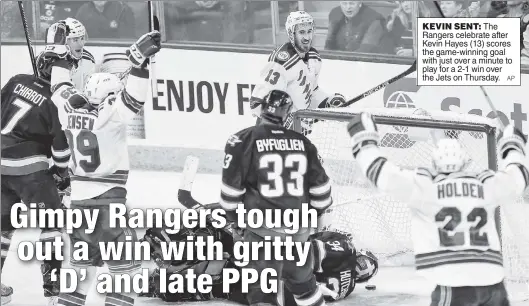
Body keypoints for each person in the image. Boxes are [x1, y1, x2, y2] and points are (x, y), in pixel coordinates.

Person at [346, 112, 529, 306]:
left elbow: (381, 173)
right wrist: (513, 144)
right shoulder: (485, 185)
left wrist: (363, 140)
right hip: (492, 282)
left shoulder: (427, 187)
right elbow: (518, 176)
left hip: (453, 283)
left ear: (434, 164)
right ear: (465, 163)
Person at [41, 21, 161, 306]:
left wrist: (58, 52)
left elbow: (59, 86)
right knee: (126, 278)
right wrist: (140, 63)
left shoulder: (67, 113)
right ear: (108, 97)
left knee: (79, 280)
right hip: (108, 209)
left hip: (79, 209)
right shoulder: (112, 116)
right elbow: (134, 97)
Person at [220, 89, 333, 306]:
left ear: (262, 108)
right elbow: (322, 194)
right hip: (298, 234)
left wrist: (237, 223)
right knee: (305, 288)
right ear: (287, 114)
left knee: (262, 293)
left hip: (262, 233)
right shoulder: (304, 143)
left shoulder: (241, 140)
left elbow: (230, 196)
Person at [141, 220, 379, 305]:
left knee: (224, 244)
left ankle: (172, 252)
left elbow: (307, 249)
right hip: (274, 288)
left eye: (366, 267)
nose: (363, 266)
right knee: (223, 280)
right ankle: (167, 281)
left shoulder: (344, 245)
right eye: (366, 263)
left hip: (273, 269)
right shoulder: (345, 288)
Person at [1, 47, 72, 305]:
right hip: (30, 170)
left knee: (2, 227)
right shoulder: (56, 100)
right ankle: (53, 292)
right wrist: (61, 173)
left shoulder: (16, 80)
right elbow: (61, 150)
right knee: (52, 225)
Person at [249, 11, 346, 129]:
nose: (307, 37)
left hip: (297, 133)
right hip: (272, 134)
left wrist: (327, 102)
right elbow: (257, 103)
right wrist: (285, 121)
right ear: (291, 34)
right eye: (301, 32)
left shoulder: (314, 58)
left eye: (309, 31)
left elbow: (311, 93)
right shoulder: (282, 61)